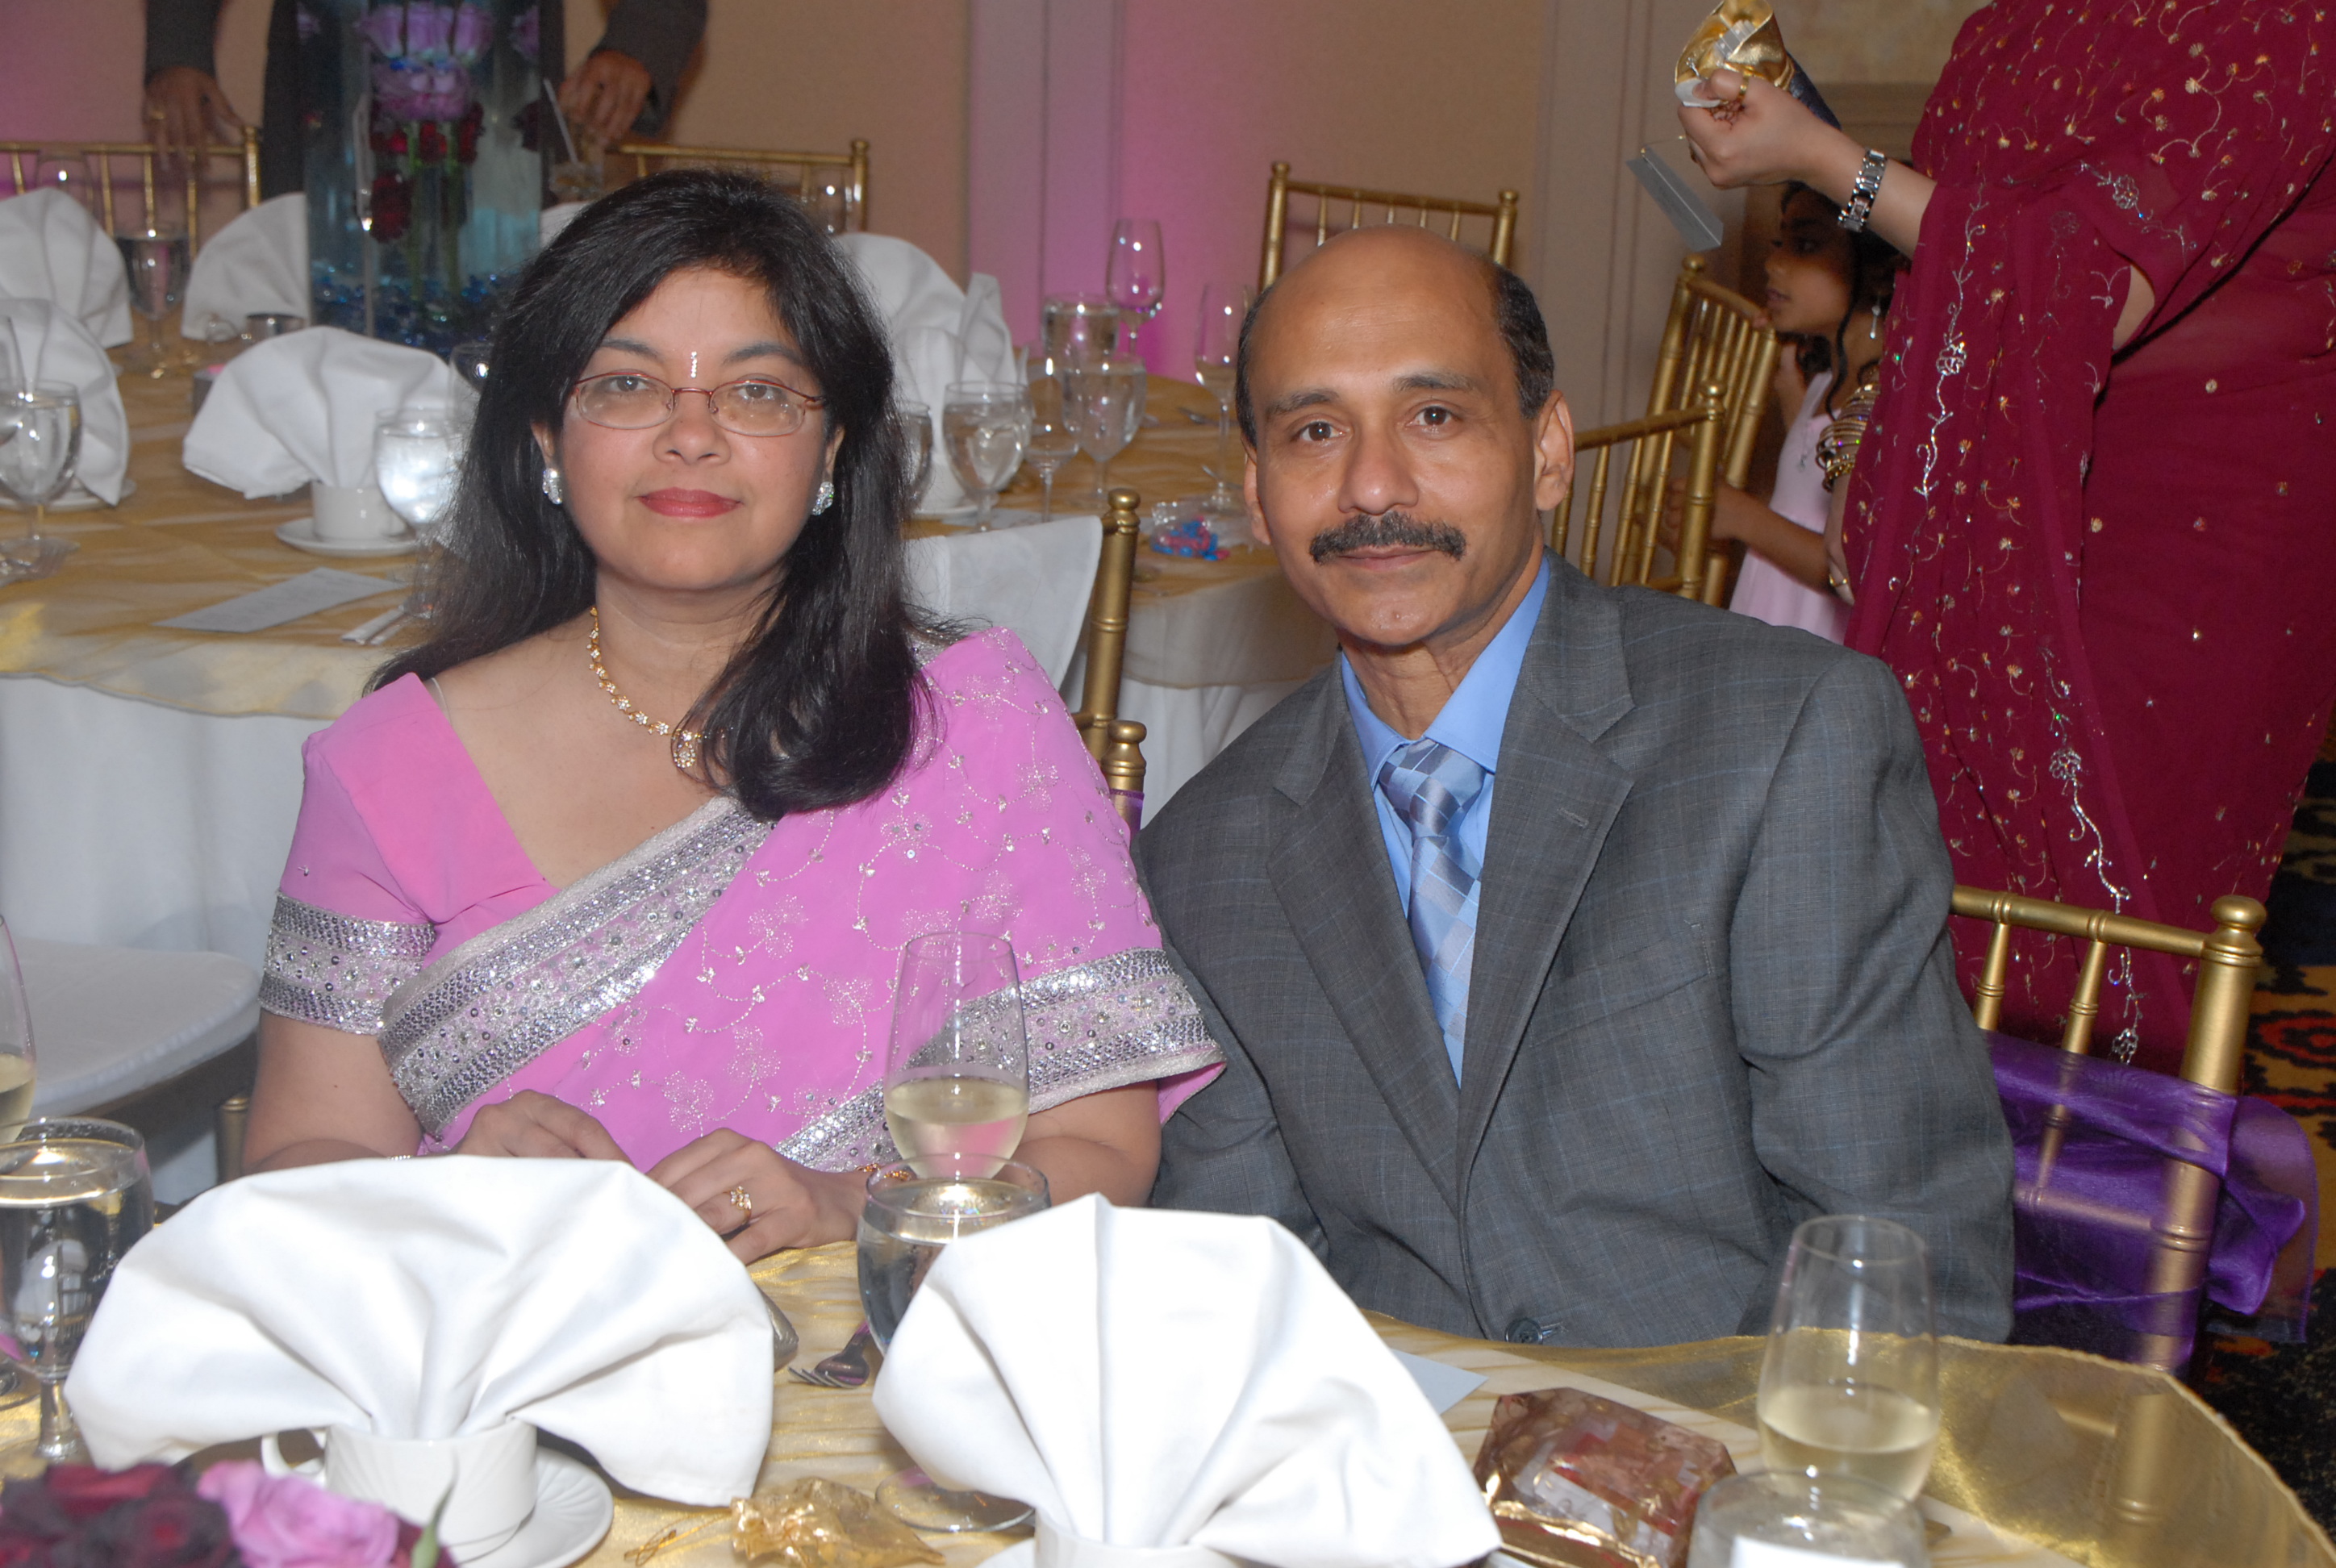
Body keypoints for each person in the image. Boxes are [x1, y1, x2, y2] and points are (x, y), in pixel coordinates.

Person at [246, 170, 1221, 1260]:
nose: (691, 434)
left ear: (833, 450)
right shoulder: (393, 764)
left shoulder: (974, 726)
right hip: (503, 1329)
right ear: (546, 437)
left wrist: (852, 1205)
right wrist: (447, 1198)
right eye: (627, 385)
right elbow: (300, 1159)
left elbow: (1099, 1147)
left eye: (758, 393)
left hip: (878, 1338)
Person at [1137, 225, 2014, 1347]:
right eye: (1315, 431)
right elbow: (1238, 1296)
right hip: (1380, 1443)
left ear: (1549, 452)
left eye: (1434, 416)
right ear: (1259, 495)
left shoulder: (1781, 741)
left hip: (1728, 1429)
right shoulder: (1205, 857)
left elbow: (1896, 1263)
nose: (1371, 485)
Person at [1681, 2, 2336, 1070]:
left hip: (2189, 536)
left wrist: (1822, 160)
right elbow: (1944, 261)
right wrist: (1871, 442)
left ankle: (2086, 1172)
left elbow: (2089, 280)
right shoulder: (2009, 24)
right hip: (1982, 490)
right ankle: (1932, 1160)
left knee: (2115, 941)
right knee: (1925, 900)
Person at [144, 0, 707, 197]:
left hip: (500, 88)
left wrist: (639, 45)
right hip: (330, 86)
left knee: (507, 319)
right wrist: (179, 52)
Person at [1709, 182, 1899, 640]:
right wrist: (1785, 371)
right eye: (1779, 243)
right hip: (1775, 619)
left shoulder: (1882, 404)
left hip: (1816, 641)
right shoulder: (1825, 383)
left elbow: (1851, 566)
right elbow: (1807, 473)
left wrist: (1744, 517)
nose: (1773, 263)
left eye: (1806, 246)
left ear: (1877, 271)